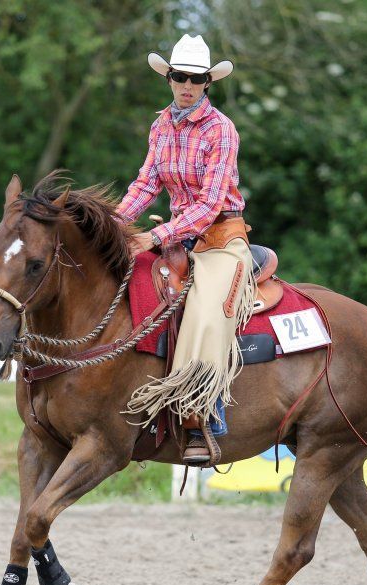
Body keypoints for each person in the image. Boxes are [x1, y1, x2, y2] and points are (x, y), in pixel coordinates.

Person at [118, 34, 256, 466]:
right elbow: (146, 184)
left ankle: (202, 413)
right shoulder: (160, 125)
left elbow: (211, 204)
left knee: (205, 309)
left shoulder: (221, 129)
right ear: (169, 79)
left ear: (207, 83)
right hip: (179, 237)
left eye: (196, 78)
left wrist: (155, 237)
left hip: (219, 237)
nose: (187, 85)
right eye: (180, 76)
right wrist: (114, 226)